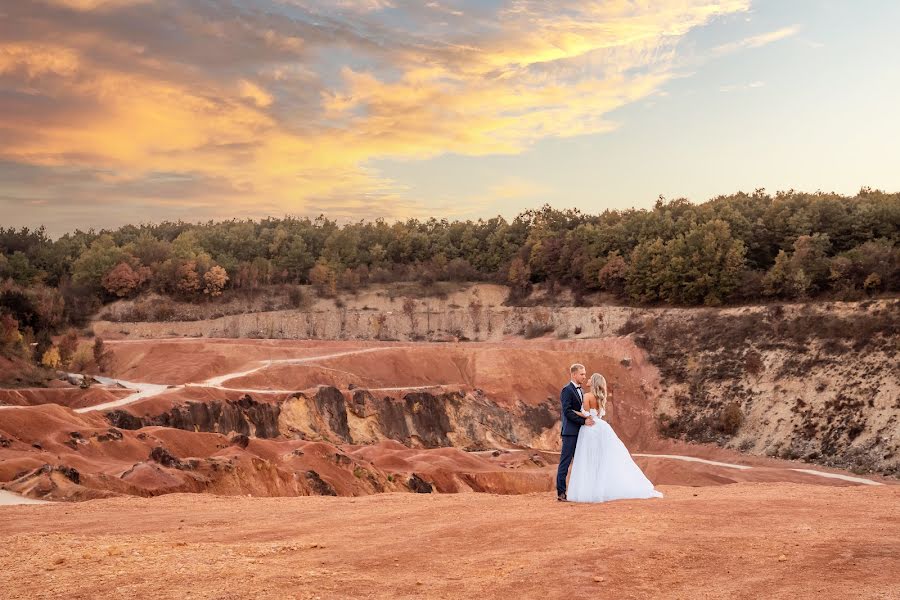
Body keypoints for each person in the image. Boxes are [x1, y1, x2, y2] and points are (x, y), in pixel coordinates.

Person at [566, 372, 663, 503]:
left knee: (589, 458)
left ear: (593, 382)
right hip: (601, 427)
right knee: (600, 458)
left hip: (590, 428)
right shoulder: (600, 397)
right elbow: (597, 414)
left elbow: (586, 414)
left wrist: (572, 411)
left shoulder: (587, 395)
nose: (587, 379)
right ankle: (598, 489)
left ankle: (589, 490)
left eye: (590, 378)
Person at [556, 363, 593, 501]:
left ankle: (580, 492)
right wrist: (583, 421)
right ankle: (561, 493)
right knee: (565, 463)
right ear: (574, 374)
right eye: (582, 374)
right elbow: (567, 411)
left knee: (581, 462)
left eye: (585, 374)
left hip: (582, 433)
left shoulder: (582, 391)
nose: (584, 376)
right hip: (570, 433)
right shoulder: (566, 390)